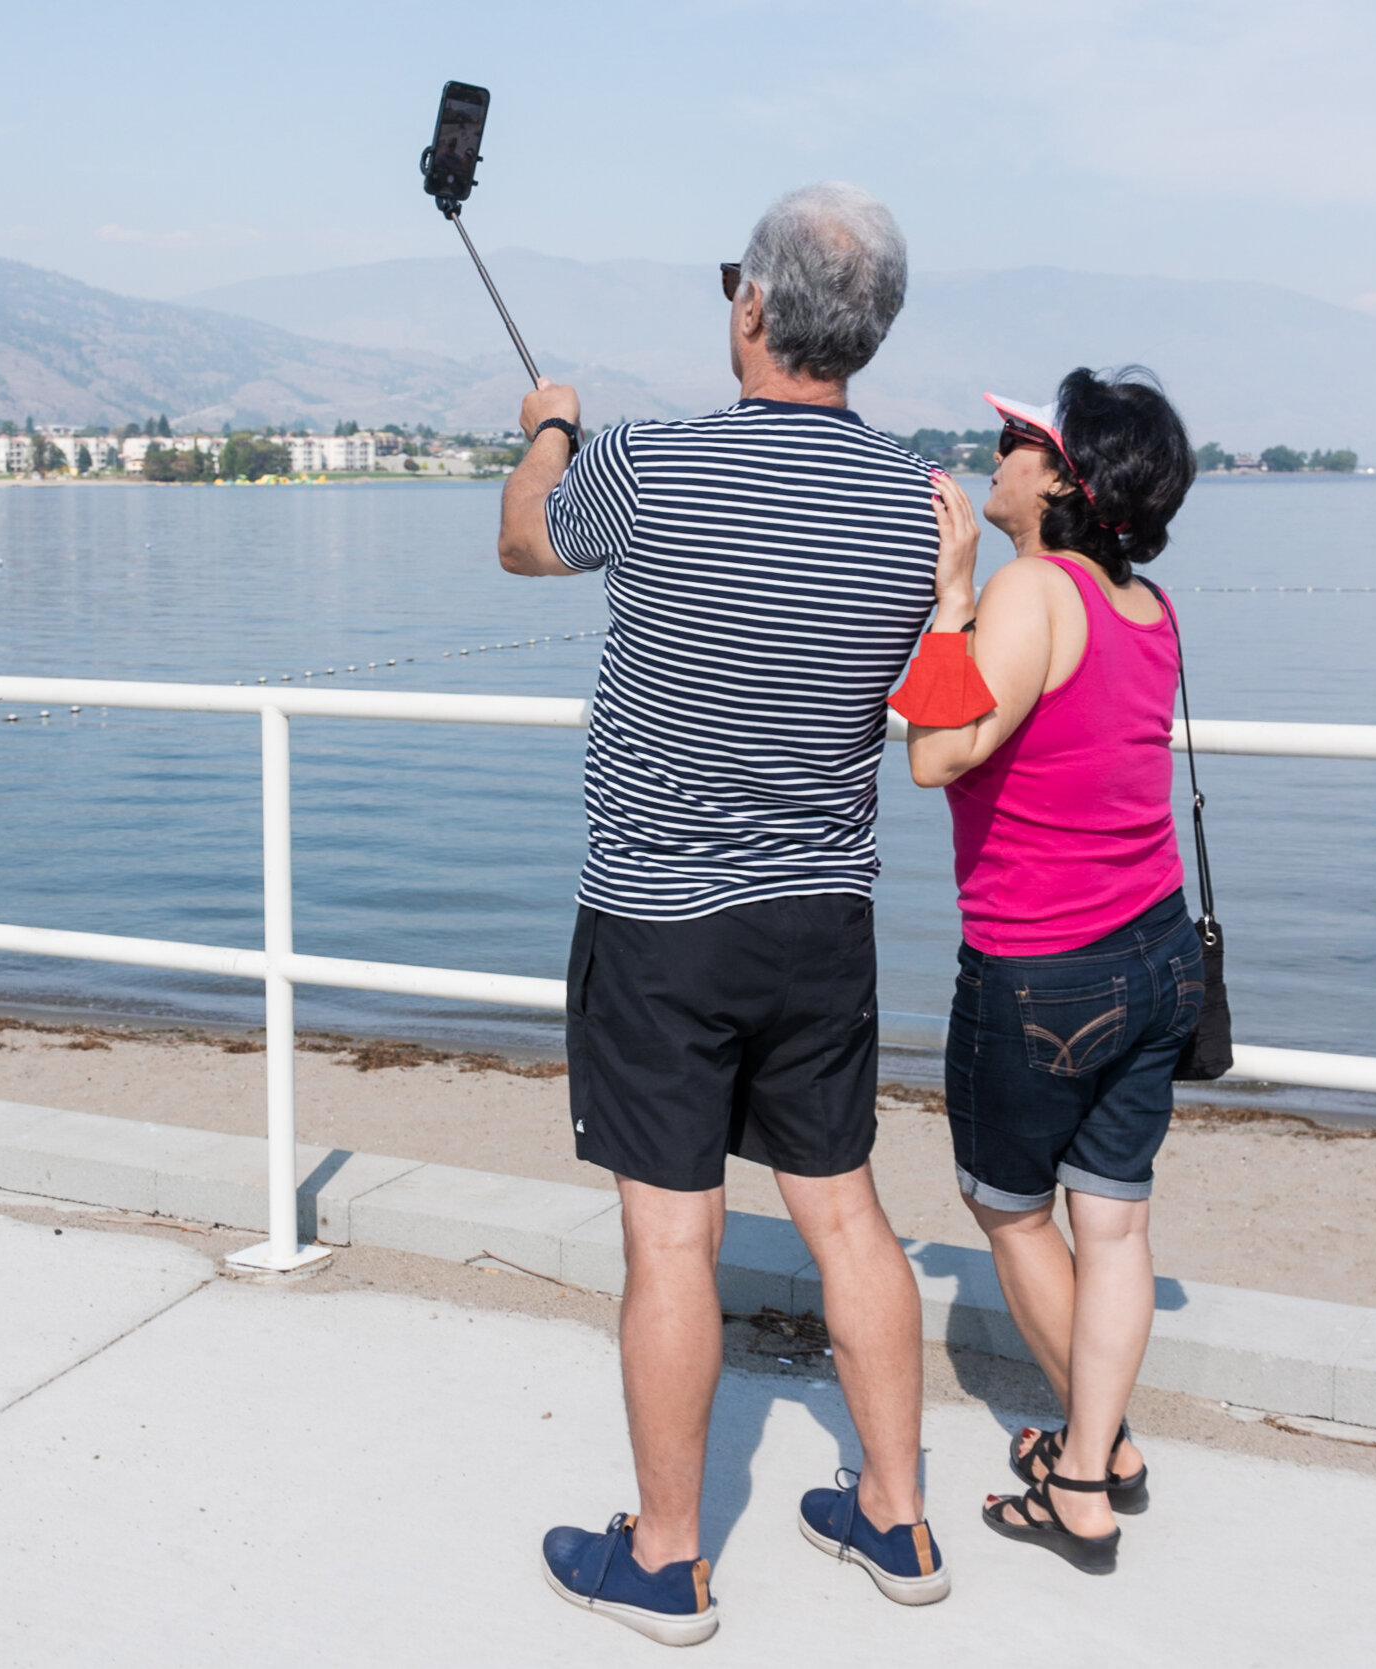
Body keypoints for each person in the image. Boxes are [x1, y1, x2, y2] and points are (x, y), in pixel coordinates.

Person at [497, 183, 949, 1645]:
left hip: (659, 923)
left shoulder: (647, 463)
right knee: (850, 1218)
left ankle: (670, 1557)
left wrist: (549, 430)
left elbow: (525, 542)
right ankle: (896, 1513)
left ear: (753, 308)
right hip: (823, 918)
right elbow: (930, 714)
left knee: (674, 1244)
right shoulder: (917, 506)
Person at [893, 367, 1201, 1574]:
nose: (995, 453)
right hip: (1155, 948)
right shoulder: (1149, 607)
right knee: (1114, 1225)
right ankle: (1105, 1451)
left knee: (1008, 1208)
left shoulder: (1033, 591)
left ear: (1063, 480)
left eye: (1017, 440)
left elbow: (935, 755)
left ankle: (1080, 1474)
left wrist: (951, 597)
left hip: (1042, 967)